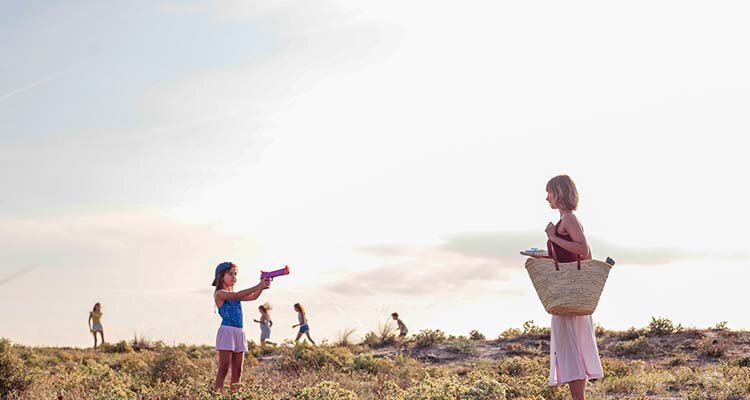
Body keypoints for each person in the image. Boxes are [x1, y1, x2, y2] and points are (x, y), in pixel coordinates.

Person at [541, 175, 604, 400]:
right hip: (570, 293)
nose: (546, 197)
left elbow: (581, 248)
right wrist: (541, 254)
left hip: (569, 295)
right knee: (571, 348)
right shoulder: (565, 221)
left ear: (558, 193)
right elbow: (570, 254)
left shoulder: (568, 219)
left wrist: (551, 237)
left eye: (549, 192)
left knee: (570, 349)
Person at [212, 261, 270, 393]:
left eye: (235, 274)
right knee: (224, 368)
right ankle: (217, 395)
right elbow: (237, 295)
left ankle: (235, 395)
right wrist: (258, 285)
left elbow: (253, 297)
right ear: (221, 276)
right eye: (230, 274)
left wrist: (262, 287)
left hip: (239, 332)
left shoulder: (235, 294)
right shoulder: (220, 294)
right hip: (227, 332)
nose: (234, 277)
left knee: (238, 369)